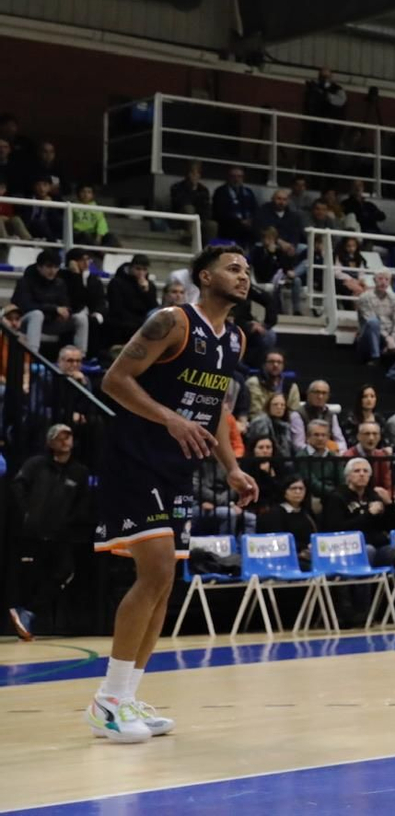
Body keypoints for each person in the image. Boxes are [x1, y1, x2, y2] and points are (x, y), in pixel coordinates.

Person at [88, 244, 257, 742]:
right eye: (233, 269)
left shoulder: (237, 340)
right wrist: (169, 418)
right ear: (205, 277)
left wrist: (232, 468)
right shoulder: (172, 321)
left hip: (179, 467)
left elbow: (216, 411)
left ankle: (126, 695)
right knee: (156, 569)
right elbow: (114, 380)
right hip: (135, 457)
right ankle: (107, 701)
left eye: (247, 271)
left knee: (166, 582)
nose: (243, 277)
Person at [10, 424, 94, 638]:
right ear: (50, 442)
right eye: (60, 437)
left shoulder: (79, 471)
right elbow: (18, 486)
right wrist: (28, 514)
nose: (65, 441)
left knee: (65, 572)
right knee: (28, 574)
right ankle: (20, 613)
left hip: (60, 536)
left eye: (68, 437)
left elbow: (82, 503)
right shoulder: (36, 465)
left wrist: (69, 523)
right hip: (32, 533)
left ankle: (29, 612)